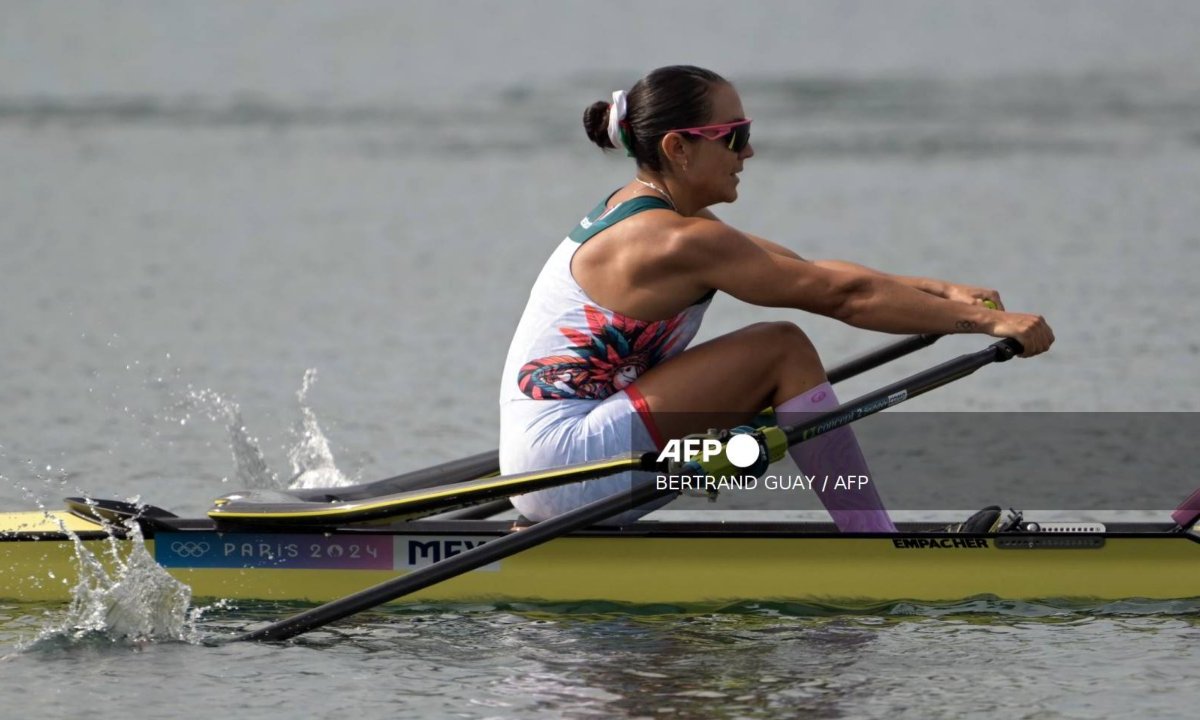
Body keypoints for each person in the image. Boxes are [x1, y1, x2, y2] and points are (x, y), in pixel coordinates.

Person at [498, 65, 1054, 530]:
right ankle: (870, 540)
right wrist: (983, 325)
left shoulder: (664, 219)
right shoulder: (672, 240)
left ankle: (780, 488)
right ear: (678, 147)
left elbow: (806, 272)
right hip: (564, 465)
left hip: (558, 464)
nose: (750, 150)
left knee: (772, 387)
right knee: (781, 350)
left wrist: (944, 291)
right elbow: (844, 300)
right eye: (733, 135)